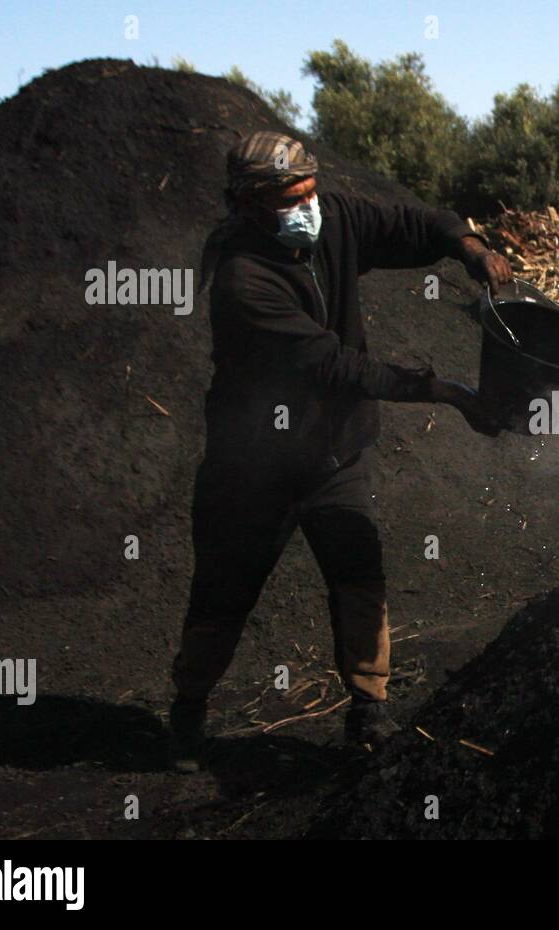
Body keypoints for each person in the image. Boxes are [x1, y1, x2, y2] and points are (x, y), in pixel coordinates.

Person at [168, 131, 512, 772]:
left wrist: (467, 246)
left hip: (335, 451)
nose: (307, 208)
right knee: (223, 595)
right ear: (246, 205)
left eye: (310, 192)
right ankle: (188, 705)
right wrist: (448, 393)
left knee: (359, 578)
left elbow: (413, 223)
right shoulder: (244, 281)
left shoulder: (334, 221)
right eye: (288, 199)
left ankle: (368, 708)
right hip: (253, 469)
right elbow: (335, 367)